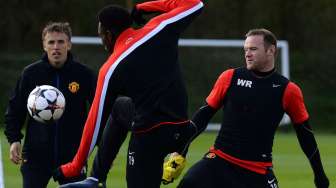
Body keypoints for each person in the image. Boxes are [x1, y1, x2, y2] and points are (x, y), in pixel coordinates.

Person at [52, 0, 204, 188]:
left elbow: (95, 121)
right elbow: (195, 4)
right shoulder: (159, 27)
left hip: (149, 139)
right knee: (120, 107)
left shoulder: (111, 68)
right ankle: (95, 178)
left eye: (101, 34)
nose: (101, 41)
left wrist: (74, 166)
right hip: (181, 130)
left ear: (108, 34)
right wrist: (144, 7)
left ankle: (95, 178)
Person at [174, 28, 330, 188]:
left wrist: (319, 175)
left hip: (257, 171)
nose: (247, 54)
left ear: (271, 51)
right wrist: (181, 151)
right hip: (218, 161)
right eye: (246, 49)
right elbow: (203, 116)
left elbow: (306, 136)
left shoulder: (289, 90)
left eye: (253, 49)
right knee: (189, 183)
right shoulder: (230, 77)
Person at [4, 22, 97, 188]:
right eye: (51, 42)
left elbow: (99, 111)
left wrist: (103, 147)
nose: (56, 47)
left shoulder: (84, 74)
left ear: (69, 44)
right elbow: (15, 109)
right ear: (44, 46)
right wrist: (14, 139)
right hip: (35, 156)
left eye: (61, 42)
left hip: (74, 157)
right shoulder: (31, 74)